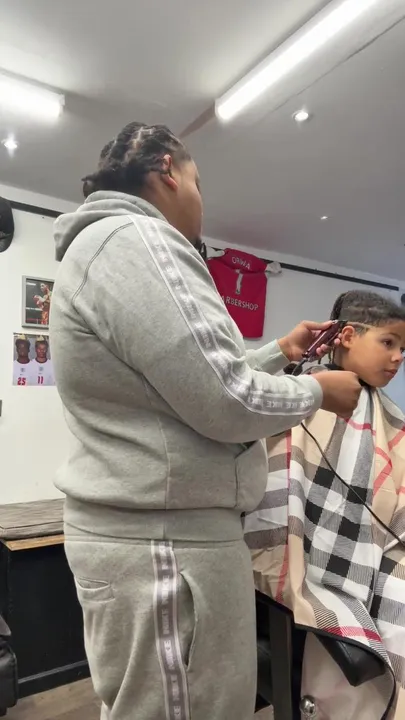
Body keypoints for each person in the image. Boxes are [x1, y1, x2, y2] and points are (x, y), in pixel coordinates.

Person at [50, 121, 361, 720]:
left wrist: (280, 353)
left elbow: (188, 382)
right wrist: (317, 392)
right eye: (198, 183)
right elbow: (227, 402)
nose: (200, 201)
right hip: (166, 547)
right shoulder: (141, 240)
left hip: (156, 537)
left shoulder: (105, 246)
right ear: (168, 169)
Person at [245, 290, 405, 720]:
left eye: (402, 349)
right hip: (310, 561)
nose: (398, 358)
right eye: (388, 342)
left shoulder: (388, 415)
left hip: (378, 552)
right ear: (347, 336)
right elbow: (276, 489)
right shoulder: (300, 392)